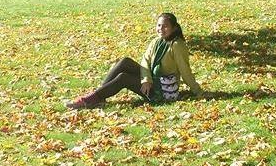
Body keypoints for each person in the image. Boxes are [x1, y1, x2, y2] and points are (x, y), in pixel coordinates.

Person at [65, 12, 203, 109]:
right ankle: (99, 96)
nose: (161, 29)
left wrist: (198, 92)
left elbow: (185, 71)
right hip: (152, 81)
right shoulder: (156, 41)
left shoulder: (177, 45)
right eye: (159, 25)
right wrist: (146, 79)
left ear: (174, 28)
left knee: (123, 78)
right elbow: (145, 61)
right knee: (125, 62)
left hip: (163, 91)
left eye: (165, 26)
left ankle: (90, 100)